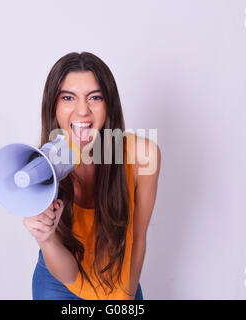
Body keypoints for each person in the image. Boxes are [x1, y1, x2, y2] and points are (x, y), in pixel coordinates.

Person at [23, 51, 161, 300]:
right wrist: (46, 239)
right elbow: (68, 274)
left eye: (94, 97)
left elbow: (138, 238)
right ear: (53, 107)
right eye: (68, 98)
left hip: (119, 277)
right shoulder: (43, 168)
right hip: (58, 281)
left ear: (109, 105)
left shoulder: (143, 155)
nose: (82, 110)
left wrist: (124, 298)